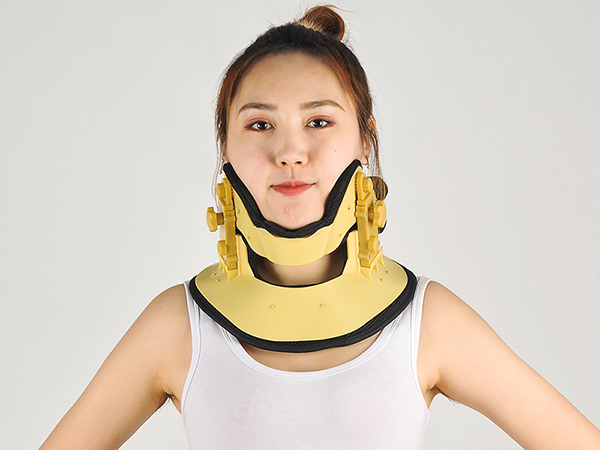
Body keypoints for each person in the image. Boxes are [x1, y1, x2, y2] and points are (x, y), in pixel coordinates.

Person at [40, 6, 600, 450]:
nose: (290, 151)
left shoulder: (427, 321)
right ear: (225, 147)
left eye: (319, 120)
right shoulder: (178, 325)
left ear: (364, 140)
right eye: (260, 124)